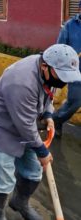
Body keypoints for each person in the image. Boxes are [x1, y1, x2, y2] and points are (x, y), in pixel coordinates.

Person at [0, 44, 81, 220]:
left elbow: (48, 95)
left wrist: (48, 115)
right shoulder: (21, 81)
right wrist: (41, 150)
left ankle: (20, 203)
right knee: (3, 181)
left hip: (25, 128)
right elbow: (24, 124)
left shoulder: (50, 74)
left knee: (33, 172)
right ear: (44, 66)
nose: (64, 82)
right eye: (61, 76)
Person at [52, 1, 81, 137]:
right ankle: (57, 119)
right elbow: (60, 49)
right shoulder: (70, 26)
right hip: (75, 72)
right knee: (75, 102)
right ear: (79, 9)